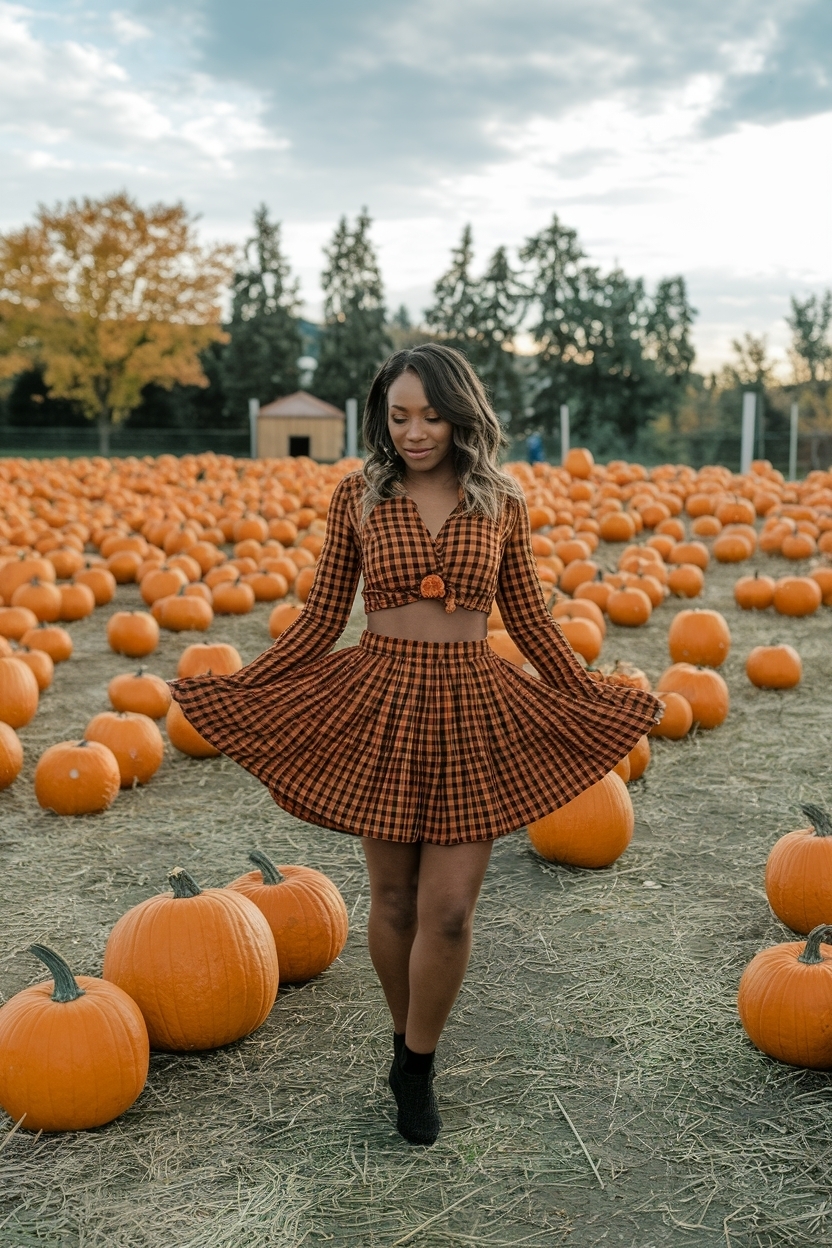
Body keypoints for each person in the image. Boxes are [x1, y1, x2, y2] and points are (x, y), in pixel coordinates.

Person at [170, 345, 661, 1147]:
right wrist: (243, 687)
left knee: (451, 911)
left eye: (430, 415)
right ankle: (403, 1047)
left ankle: (418, 1064)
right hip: (383, 704)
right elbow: (325, 618)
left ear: (461, 413)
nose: (414, 431)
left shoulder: (500, 500)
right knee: (394, 900)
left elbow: (531, 622)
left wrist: (592, 696)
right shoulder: (359, 497)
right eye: (399, 416)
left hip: (472, 706)